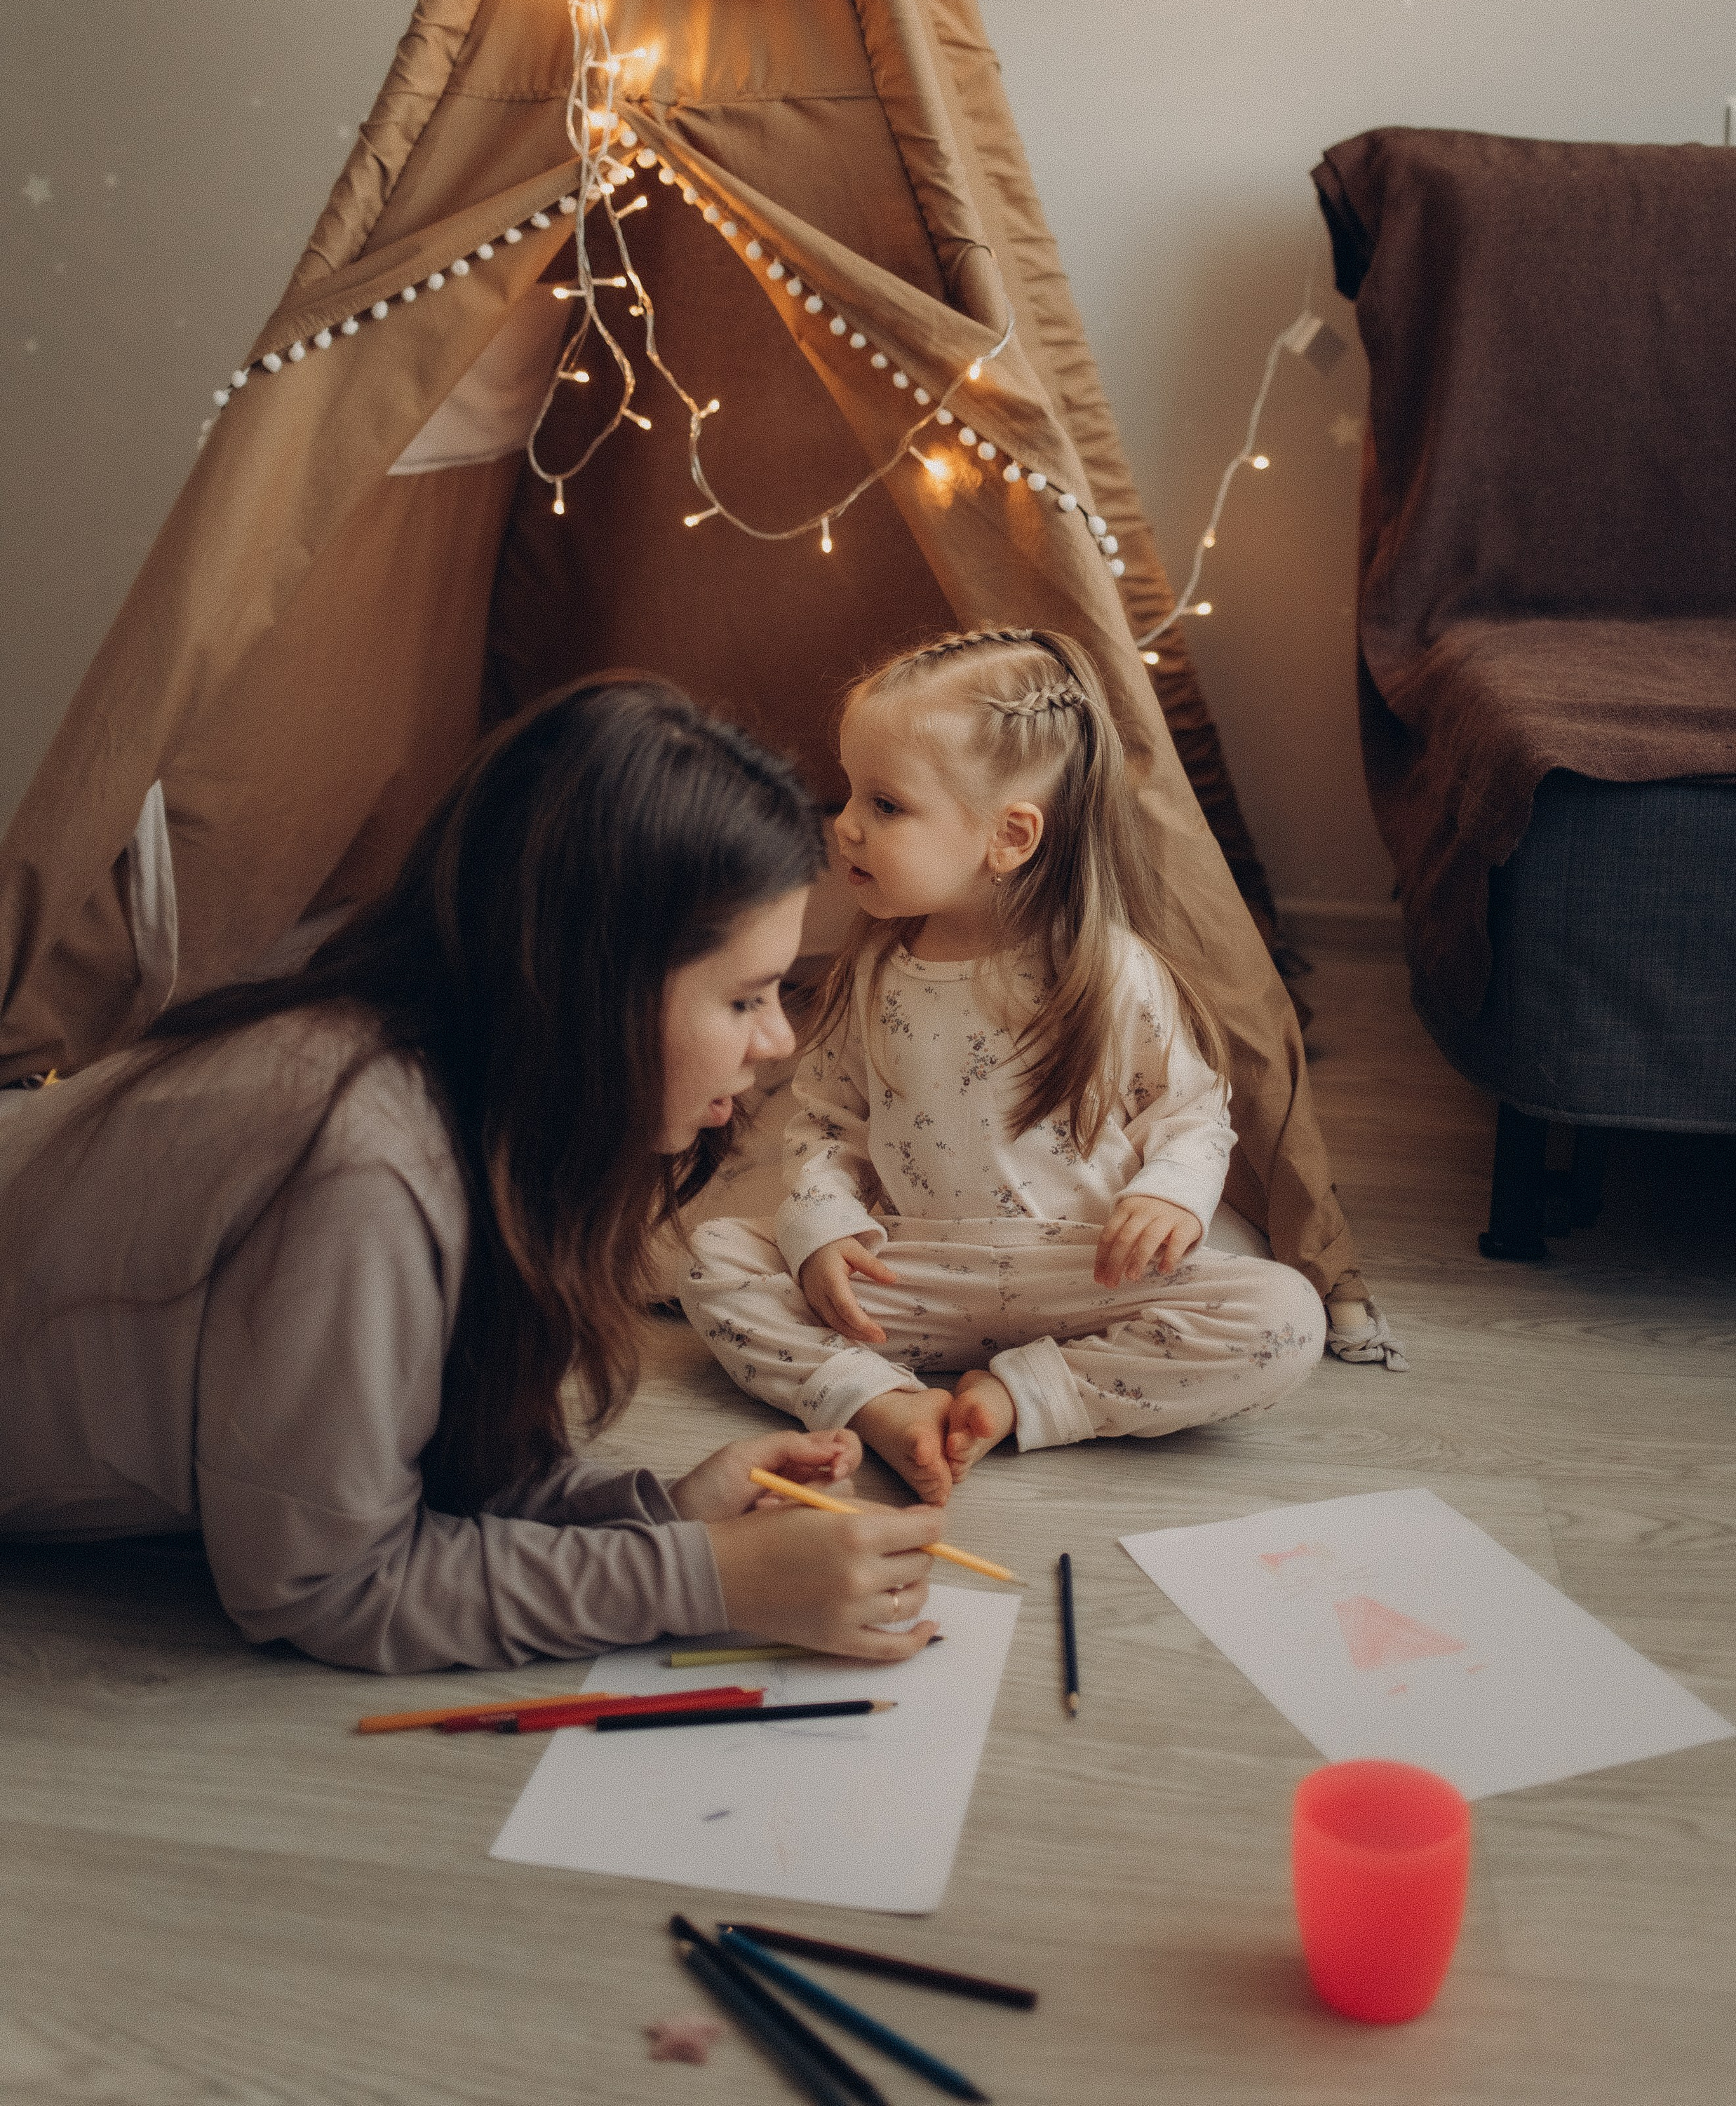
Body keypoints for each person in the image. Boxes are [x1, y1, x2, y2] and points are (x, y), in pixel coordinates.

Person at [0, 680, 944, 1673]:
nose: (778, 1039)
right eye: (747, 997)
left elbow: (407, 1458)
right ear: (594, 988)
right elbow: (326, 1583)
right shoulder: (363, 1164)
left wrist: (656, 1518)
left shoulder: (445, 1080)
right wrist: (706, 1579)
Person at [679, 628, 1326, 1506]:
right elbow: (827, 1125)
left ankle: (1025, 1394)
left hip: (1085, 1273)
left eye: (886, 804)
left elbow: (1191, 1114)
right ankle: (881, 1404)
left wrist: (1169, 1192)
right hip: (913, 1276)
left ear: (1009, 836)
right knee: (714, 1255)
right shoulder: (869, 973)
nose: (846, 826)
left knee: (1285, 1319)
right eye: (850, 795)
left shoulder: (1111, 970)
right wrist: (826, 1228)